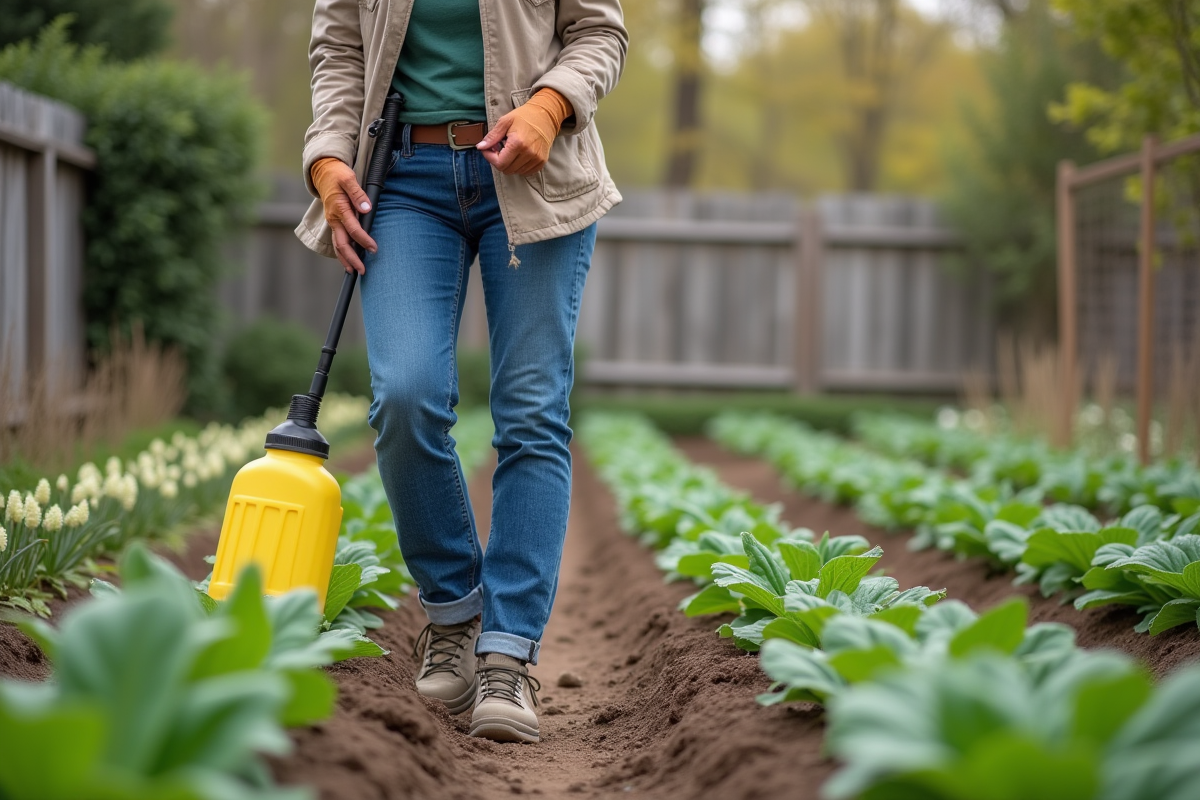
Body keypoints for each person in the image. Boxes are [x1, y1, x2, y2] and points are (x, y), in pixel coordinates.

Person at [295, 0, 627, 744]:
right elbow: (340, 48)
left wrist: (550, 105)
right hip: (402, 178)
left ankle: (508, 653)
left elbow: (600, 32)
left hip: (537, 170)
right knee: (405, 397)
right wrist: (326, 158)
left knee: (532, 410)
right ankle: (453, 612)